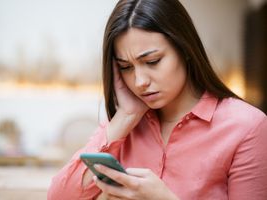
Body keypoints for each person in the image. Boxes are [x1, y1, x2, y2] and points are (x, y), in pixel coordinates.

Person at [47, 0, 267, 199]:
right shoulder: (125, 124)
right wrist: (126, 117)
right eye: (126, 67)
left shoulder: (247, 126)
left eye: (152, 61)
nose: (139, 81)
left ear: (185, 49)